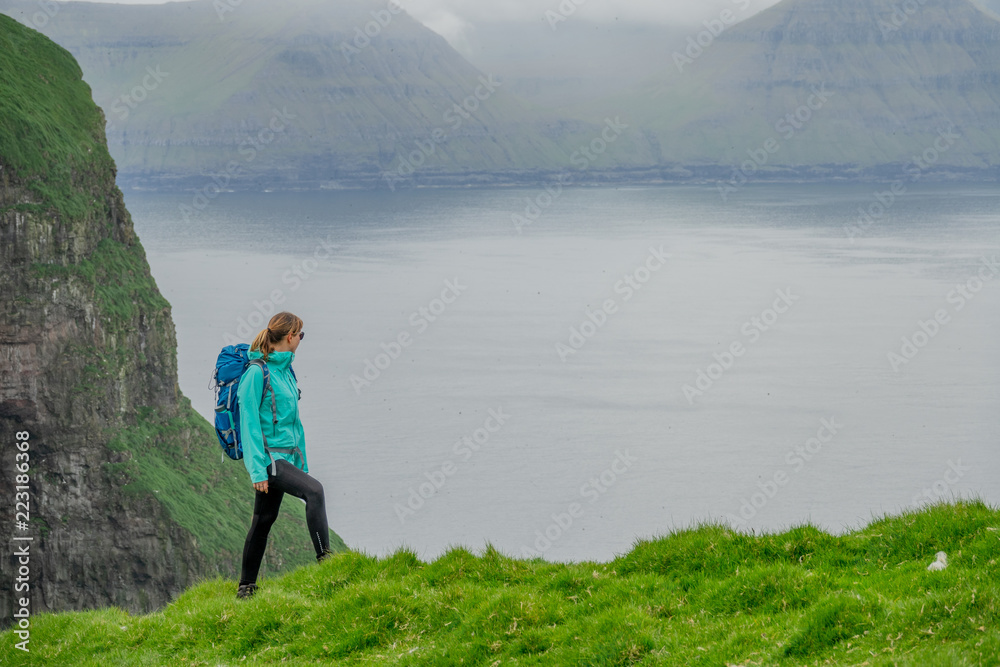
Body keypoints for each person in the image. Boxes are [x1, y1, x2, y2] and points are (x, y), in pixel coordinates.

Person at [236, 311, 334, 600]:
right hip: (269, 460)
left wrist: (300, 461)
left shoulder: (285, 371)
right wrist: (257, 471)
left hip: (285, 459)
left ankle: (246, 588)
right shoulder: (257, 372)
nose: (300, 340)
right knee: (315, 491)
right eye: (300, 335)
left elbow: (294, 422)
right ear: (290, 336)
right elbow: (249, 423)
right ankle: (326, 563)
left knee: (263, 520)